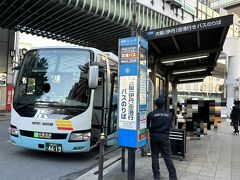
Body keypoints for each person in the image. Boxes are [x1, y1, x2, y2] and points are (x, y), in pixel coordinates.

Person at [147, 96, 177, 180]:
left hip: (154, 137)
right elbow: (170, 126)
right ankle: (173, 177)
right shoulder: (169, 115)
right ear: (163, 105)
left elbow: (148, 127)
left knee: (155, 156)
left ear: (156, 105)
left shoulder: (151, 114)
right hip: (164, 137)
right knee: (168, 157)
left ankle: (156, 176)